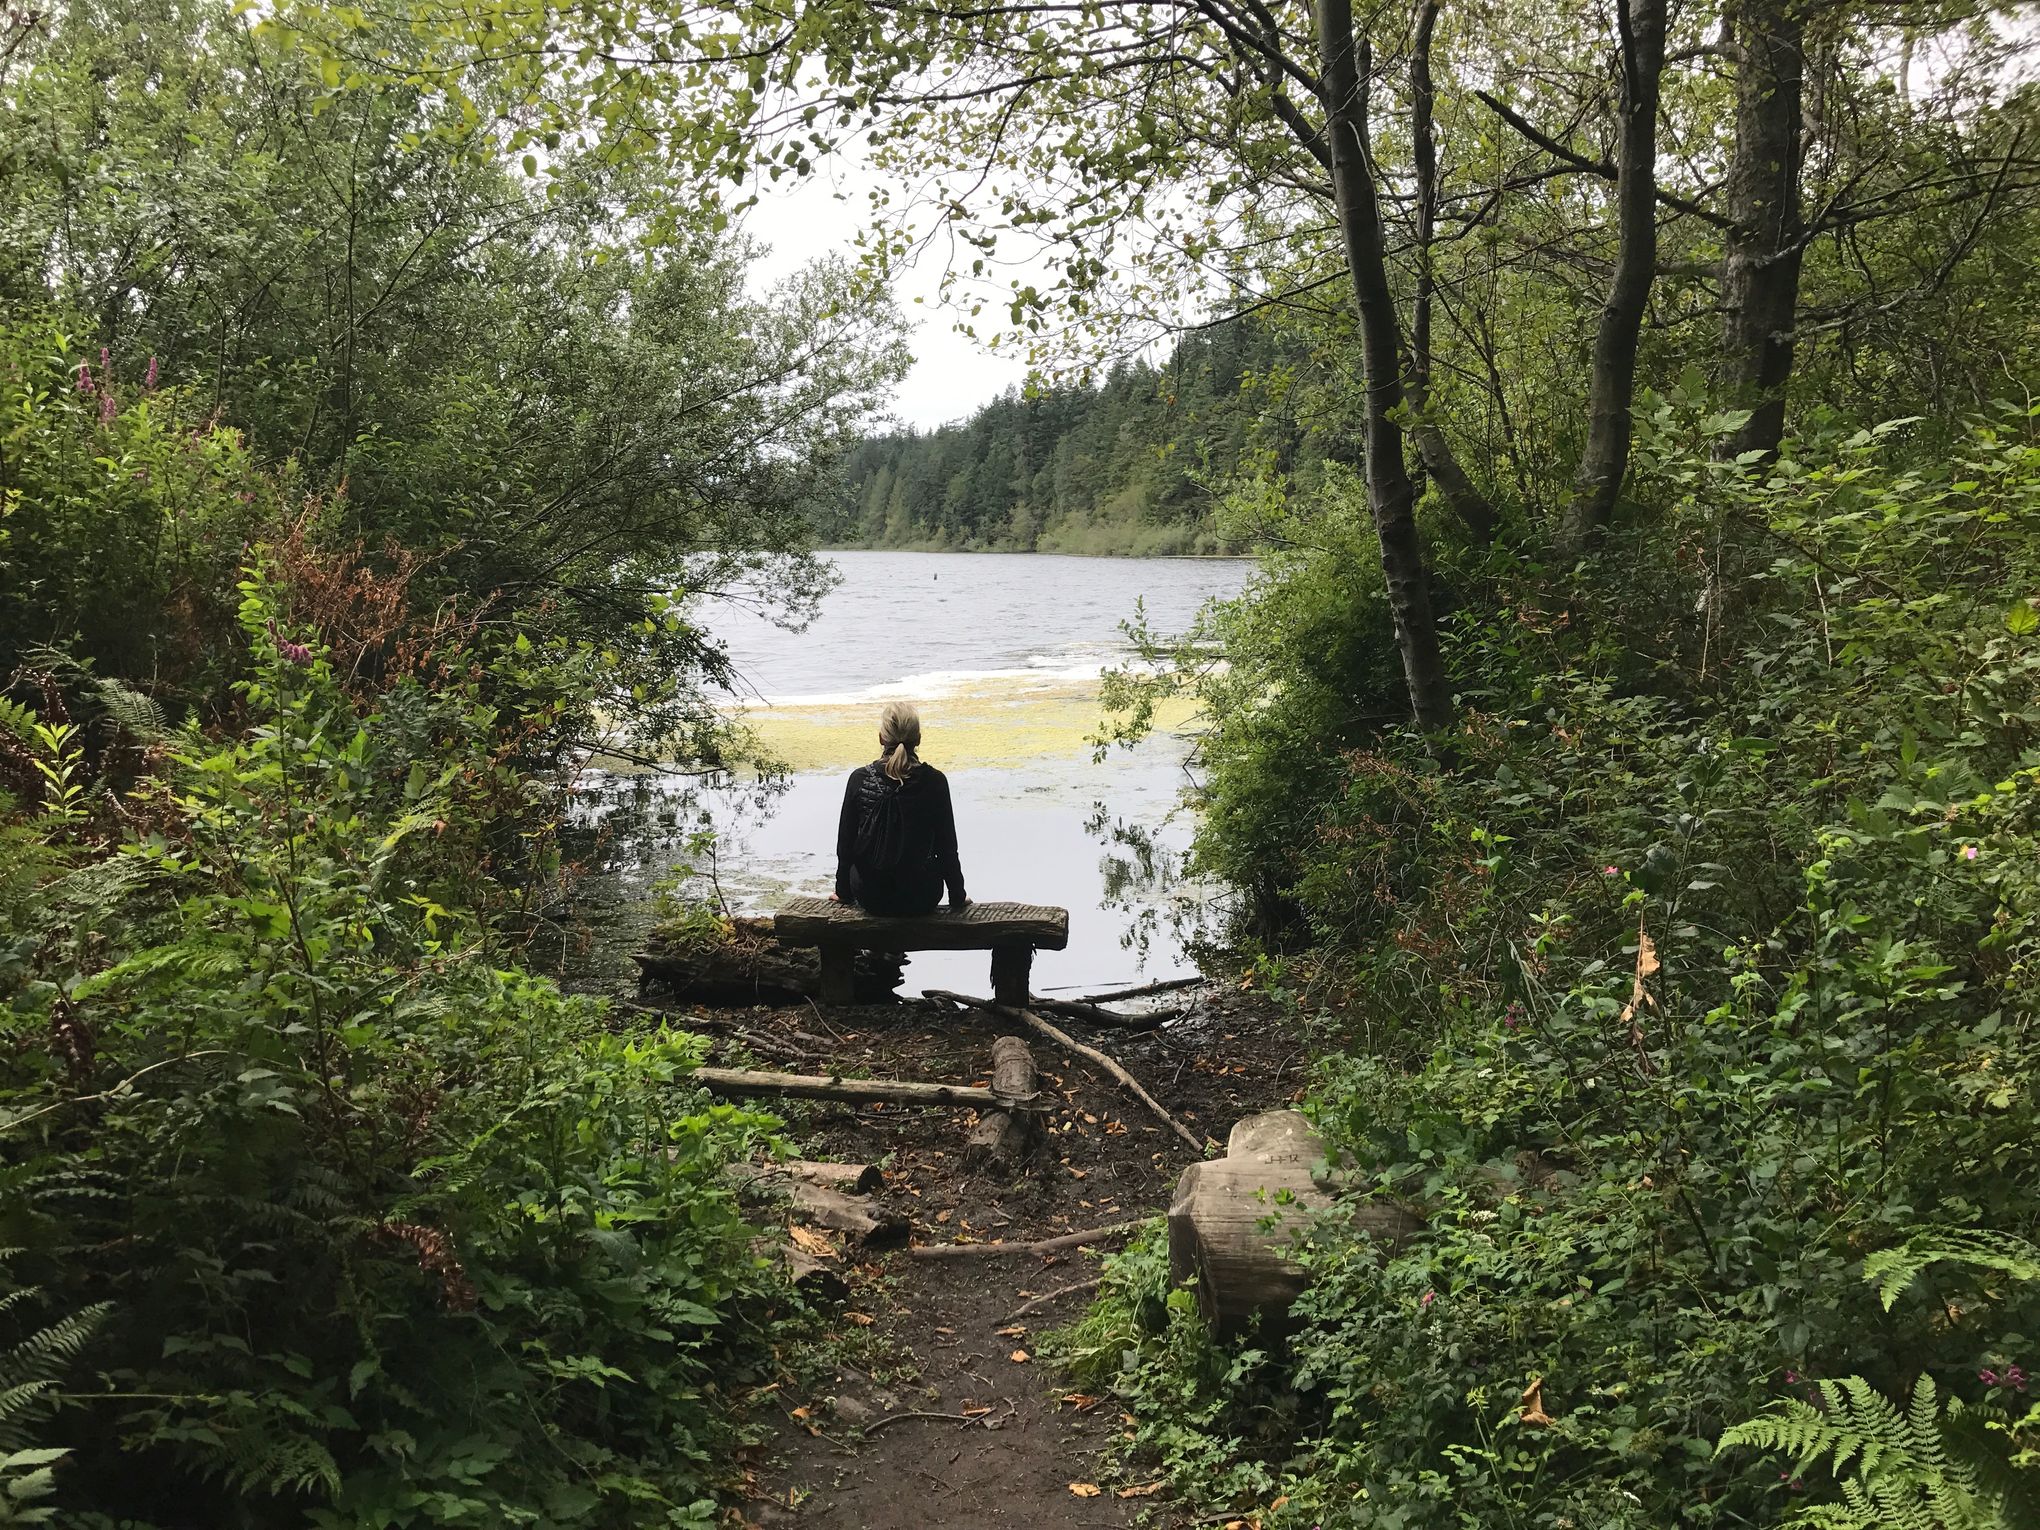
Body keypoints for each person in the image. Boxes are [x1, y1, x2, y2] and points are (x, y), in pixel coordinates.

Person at [833, 701, 967, 916]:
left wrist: (843, 892)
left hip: (871, 896)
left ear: (881, 738)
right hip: (922, 896)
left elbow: (845, 845)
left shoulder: (859, 778)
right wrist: (957, 896)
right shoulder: (935, 781)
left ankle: (877, 950)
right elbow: (947, 848)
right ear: (919, 739)